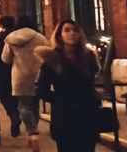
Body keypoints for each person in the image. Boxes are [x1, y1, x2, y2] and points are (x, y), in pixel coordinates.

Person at [36, 19, 102, 152]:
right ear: (59, 35)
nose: (72, 33)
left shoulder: (88, 57)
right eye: (67, 30)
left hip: (87, 115)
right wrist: (63, 101)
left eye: (76, 30)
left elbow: (90, 83)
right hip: (65, 117)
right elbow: (41, 89)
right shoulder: (52, 59)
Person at [2, 15, 49, 151]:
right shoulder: (40, 37)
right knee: (35, 104)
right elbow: (48, 54)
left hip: (20, 76)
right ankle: (33, 132)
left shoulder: (11, 39)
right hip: (38, 75)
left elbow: (6, 59)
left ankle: (32, 132)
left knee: (23, 105)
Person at [0, 16, 21, 137]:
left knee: (5, 95)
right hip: (20, 69)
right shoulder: (19, 36)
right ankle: (17, 114)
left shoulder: (0, 38)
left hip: (3, 69)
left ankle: (13, 114)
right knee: (18, 95)